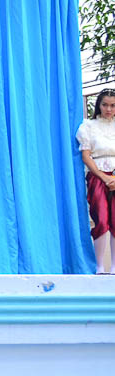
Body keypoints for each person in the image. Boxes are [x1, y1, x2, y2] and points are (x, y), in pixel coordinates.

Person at [76, 90, 115, 274]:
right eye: (105, 105)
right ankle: (99, 267)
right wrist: (103, 177)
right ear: (99, 105)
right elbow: (86, 156)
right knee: (101, 217)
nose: (109, 109)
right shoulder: (88, 127)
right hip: (97, 176)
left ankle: (114, 267)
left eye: (113, 105)